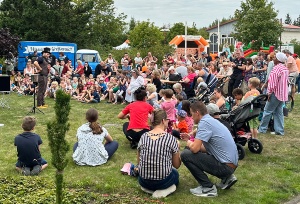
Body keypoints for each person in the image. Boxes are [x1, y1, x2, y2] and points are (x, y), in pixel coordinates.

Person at [180, 101, 238, 197]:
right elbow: (206, 149)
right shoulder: (211, 121)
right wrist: (190, 141)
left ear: (197, 113)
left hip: (225, 166)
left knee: (185, 155)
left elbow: (194, 149)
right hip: (230, 164)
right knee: (189, 149)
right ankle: (227, 178)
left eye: (191, 113)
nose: (191, 116)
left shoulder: (204, 123)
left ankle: (208, 187)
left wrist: (188, 141)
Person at [137, 109, 181, 198]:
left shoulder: (143, 136)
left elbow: (138, 162)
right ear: (163, 121)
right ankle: (165, 189)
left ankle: (148, 189)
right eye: (167, 120)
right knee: (175, 173)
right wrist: (177, 149)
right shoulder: (170, 138)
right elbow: (176, 165)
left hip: (143, 181)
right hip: (162, 181)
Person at [258, 52, 289, 136]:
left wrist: (269, 93)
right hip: (282, 94)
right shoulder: (285, 69)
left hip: (275, 93)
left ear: (278, 60)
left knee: (267, 111)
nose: (273, 59)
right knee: (278, 112)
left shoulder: (276, 69)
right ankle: (279, 130)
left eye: (275, 57)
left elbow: (272, 83)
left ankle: (262, 129)